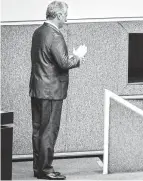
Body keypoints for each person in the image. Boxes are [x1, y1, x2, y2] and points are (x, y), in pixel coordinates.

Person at [29, 1, 87, 180]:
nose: (67, 18)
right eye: (65, 14)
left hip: (37, 89)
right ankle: (46, 170)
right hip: (52, 92)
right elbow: (63, 63)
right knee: (49, 130)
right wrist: (77, 57)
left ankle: (38, 168)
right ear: (59, 15)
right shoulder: (55, 35)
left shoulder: (38, 32)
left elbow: (47, 61)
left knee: (38, 129)